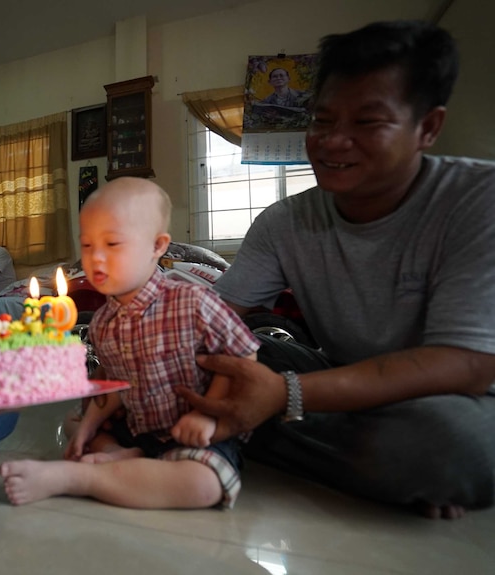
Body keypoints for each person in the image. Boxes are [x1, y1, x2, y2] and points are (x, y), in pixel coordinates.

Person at [177, 20, 495, 520]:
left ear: (428, 128)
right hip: (344, 385)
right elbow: (213, 317)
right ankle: (386, 469)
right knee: (225, 358)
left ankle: (396, 461)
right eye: (322, 121)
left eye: (367, 123)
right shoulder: (287, 220)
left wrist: (286, 394)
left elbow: (469, 365)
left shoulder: (478, 200)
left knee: (445, 444)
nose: (333, 141)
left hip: (461, 400)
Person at [0, 177, 260, 509]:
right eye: (88, 245)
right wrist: (89, 425)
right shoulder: (104, 322)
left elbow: (244, 355)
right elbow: (112, 384)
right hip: (139, 428)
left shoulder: (192, 302)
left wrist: (208, 415)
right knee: (76, 423)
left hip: (195, 432)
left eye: (112, 244)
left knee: (203, 485)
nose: (96, 258)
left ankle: (79, 478)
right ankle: (122, 458)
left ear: (156, 246)